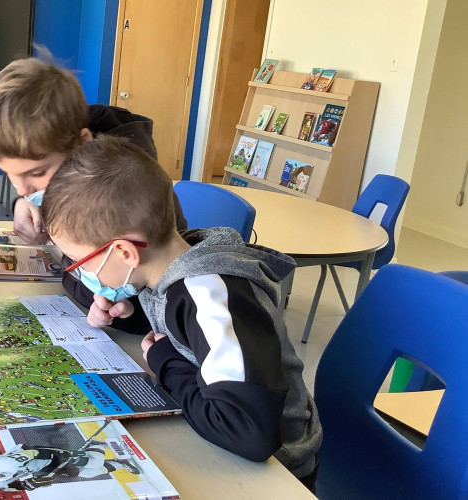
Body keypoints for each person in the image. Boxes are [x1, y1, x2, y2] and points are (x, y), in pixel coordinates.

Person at [40, 136, 322, 491]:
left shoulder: (210, 296)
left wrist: (166, 362)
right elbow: (180, 327)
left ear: (125, 253)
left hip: (277, 471)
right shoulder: (169, 266)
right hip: (225, 432)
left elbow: (248, 432)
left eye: (80, 263)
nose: (78, 274)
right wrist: (128, 312)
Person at [0, 55, 187, 334]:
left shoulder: (128, 192)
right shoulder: (61, 172)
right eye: (10, 174)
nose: (22, 188)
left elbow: (157, 299)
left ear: (82, 143)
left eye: (37, 173)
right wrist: (25, 204)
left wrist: (114, 308)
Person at [0, 442, 140, 491]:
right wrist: (29, 485)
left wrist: (62, 457)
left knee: (94, 461)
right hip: (39, 467)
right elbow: (11, 484)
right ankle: (120, 464)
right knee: (87, 474)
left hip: (45, 454)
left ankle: (97, 445)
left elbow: (32, 453)